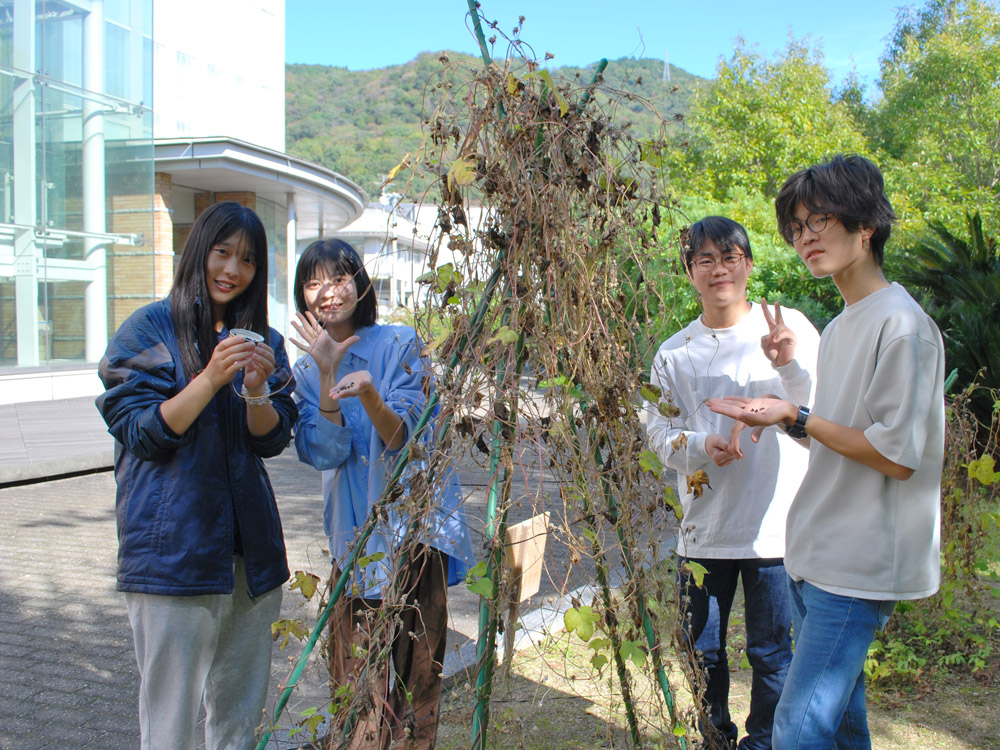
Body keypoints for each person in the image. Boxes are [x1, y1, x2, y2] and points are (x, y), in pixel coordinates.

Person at [708, 155, 945, 750]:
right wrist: (788, 396)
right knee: (840, 726)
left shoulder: (902, 325)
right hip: (818, 553)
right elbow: (834, 429)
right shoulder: (843, 323)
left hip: (859, 561)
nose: (805, 237)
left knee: (797, 726)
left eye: (821, 221)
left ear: (865, 226)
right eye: (796, 227)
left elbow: (896, 456)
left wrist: (798, 415)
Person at [96, 201, 298, 750]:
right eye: (223, 252)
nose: (234, 269)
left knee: (238, 721)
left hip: (249, 556)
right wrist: (211, 376)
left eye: (249, 260)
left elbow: (272, 438)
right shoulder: (148, 329)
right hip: (172, 556)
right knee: (170, 725)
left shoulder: (264, 341)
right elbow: (142, 432)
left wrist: (257, 389)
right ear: (198, 252)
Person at [289, 239, 476, 750]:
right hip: (353, 539)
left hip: (412, 535)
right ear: (302, 297)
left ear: (361, 283)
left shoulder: (399, 343)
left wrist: (369, 392)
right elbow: (324, 453)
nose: (327, 293)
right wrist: (327, 371)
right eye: (313, 283)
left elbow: (405, 438)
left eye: (339, 278)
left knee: (419, 678)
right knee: (357, 686)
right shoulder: (306, 370)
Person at [645, 216, 819, 750]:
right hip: (704, 531)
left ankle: (766, 742)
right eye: (705, 260)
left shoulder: (785, 328)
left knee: (772, 652)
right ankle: (714, 739)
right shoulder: (675, 353)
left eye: (730, 256)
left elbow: (819, 413)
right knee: (702, 649)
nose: (719, 269)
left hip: (774, 528)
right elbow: (658, 434)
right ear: (690, 273)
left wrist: (787, 367)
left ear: (748, 263)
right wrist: (702, 444)